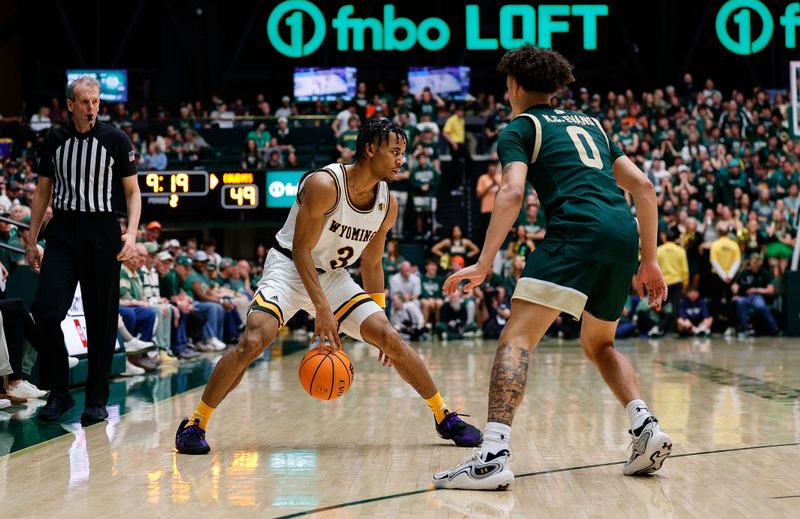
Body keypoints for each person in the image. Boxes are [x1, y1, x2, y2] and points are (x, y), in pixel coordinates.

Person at [433, 46, 671, 490]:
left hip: (574, 232)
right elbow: (643, 185)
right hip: (621, 234)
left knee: (516, 338)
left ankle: (493, 453)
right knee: (600, 344)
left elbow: (511, 192)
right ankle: (645, 428)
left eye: (507, 87)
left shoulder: (520, 128)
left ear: (517, 86)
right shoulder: (592, 124)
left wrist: (484, 263)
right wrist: (650, 259)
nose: (507, 94)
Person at [174, 119, 481, 454]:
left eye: (402, 153)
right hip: (289, 269)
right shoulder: (324, 184)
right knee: (254, 340)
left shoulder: (387, 203)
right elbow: (301, 250)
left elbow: (372, 264)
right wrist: (321, 309)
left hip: (334, 277)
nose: (400, 160)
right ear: (369, 149)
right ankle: (196, 423)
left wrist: (378, 318)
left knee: (391, 338)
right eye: (394, 152)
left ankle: (443, 416)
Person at [27, 76, 141, 423]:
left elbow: (133, 193)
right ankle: (59, 392)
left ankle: (96, 400)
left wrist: (132, 234)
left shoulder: (116, 140)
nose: (92, 107)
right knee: (46, 311)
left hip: (103, 232)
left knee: (102, 321)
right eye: (85, 102)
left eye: (96, 101)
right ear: (70, 105)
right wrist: (32, 240)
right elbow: (42, 192)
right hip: (62, 231)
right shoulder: (54, 139)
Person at [732, 253, 779, 337]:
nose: (755, 266)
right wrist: (735, 288)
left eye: (757, 263)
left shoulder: (765, 273)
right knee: (739, 302)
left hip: (758, 296)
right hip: (745, 297)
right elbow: (736, 284)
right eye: (753, 263)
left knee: (760, 305)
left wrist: (757, 290)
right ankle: (744, 328)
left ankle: (774, 328)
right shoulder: (744, 273)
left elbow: (771, 290)